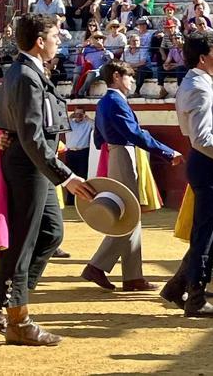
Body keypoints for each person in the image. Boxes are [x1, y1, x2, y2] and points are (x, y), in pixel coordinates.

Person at [0, 14, 96, 345]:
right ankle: (17, 320)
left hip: (36, 165)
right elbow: (31, 136)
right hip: (30, 167)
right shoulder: (26, 75)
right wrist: (65, 177)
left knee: (51, 234)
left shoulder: (28, 72)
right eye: (55, 35)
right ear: (40, 41)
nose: (59, 40)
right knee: (22, 244)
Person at [82, 61, 183, 292]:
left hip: (116, 152)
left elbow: (98, 136)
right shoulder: (116, 101)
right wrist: (166, 152)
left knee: (131, 216)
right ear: (117, 76)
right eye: (129, 76)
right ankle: (97, 265)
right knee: (128, 215)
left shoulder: (105, 101)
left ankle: (132, 276)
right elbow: (134, 133)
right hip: (123, 154)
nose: (132, 81)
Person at [158, 34, 213, 319]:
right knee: (208, 233)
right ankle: (195, 296)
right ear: (203, 58)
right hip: (209, 162)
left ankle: (178, 286)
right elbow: (202, 138)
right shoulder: (198, 88)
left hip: (208, 162)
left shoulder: (197, 85)